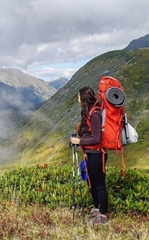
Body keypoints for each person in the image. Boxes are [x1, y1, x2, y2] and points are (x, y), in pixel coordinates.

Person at [70, 86, 108, 224]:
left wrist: (79, 141)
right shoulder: (89, 112)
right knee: (92, 184)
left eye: (79, 97)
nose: (78, 99)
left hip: (97, 154)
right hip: (90, 154)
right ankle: (97, 210)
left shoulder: (95, 114)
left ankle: (103, 215)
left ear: (83, 98)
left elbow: (96, 138)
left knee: (99, 185)